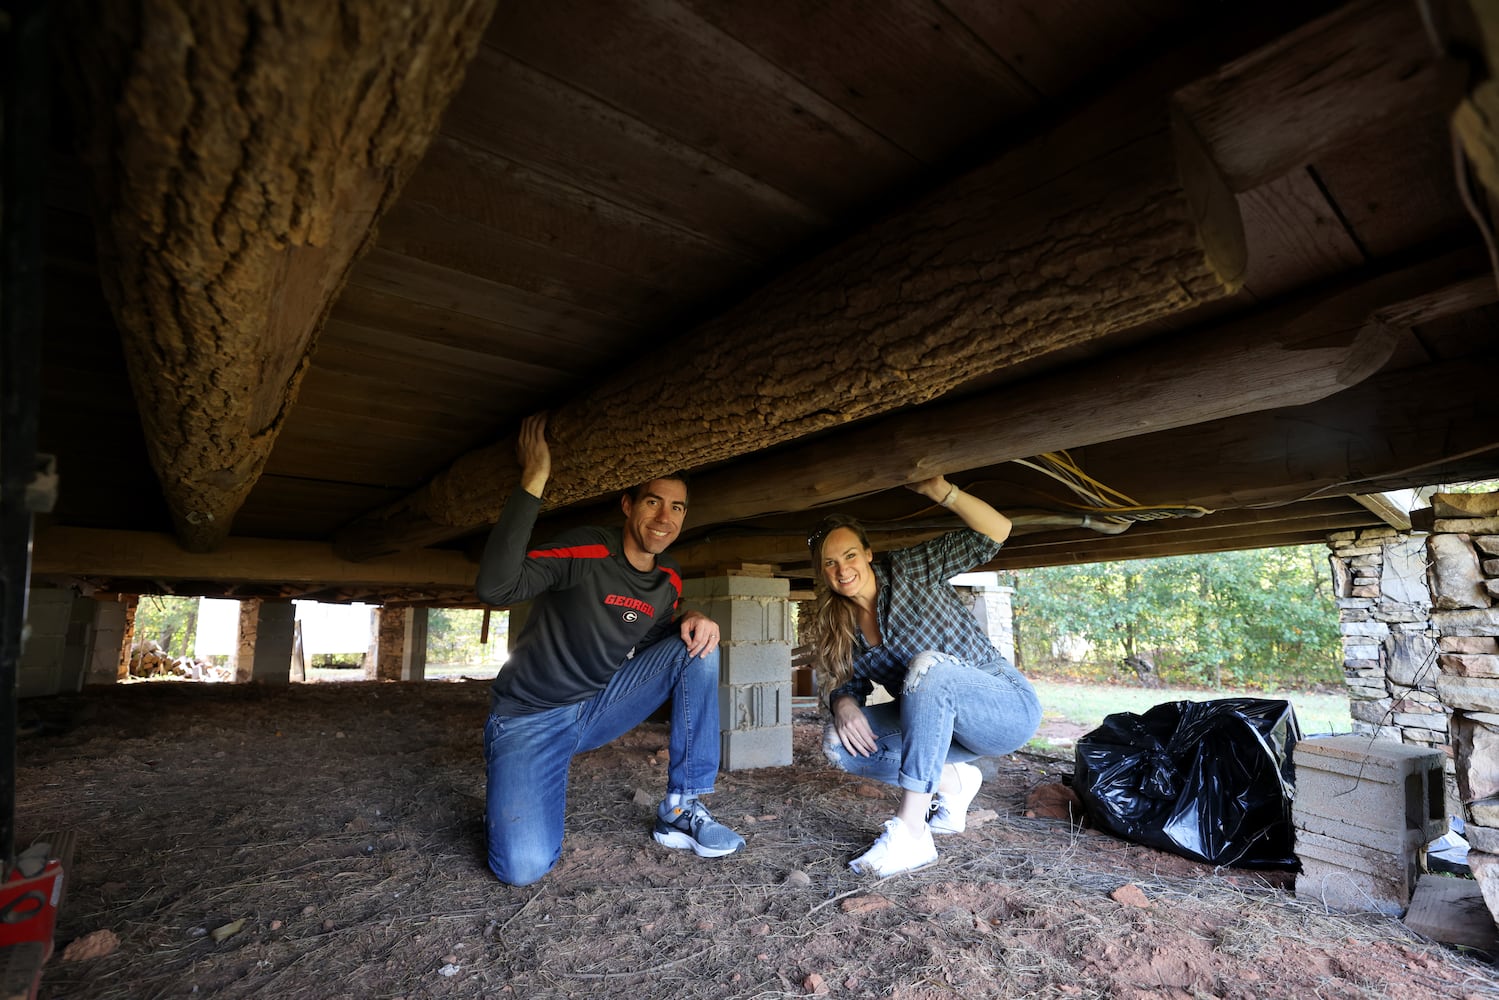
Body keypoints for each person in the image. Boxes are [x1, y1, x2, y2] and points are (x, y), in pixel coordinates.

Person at [475, 413, 744, 885]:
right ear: (627, 504)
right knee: (522, 869)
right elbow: (497, 588)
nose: (665, 518)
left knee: (701, 644)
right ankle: (511, 800)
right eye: (654, 502)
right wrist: (534, 480)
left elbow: (655, 636)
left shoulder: (668, 578)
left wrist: (692, 617)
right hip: (530, 718)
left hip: (596, 708)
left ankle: (682, 806)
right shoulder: (587, 551)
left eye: (677, 508)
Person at [808, 476, 1041, 877]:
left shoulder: (908, 570)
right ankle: (953, 781)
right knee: (838, 743)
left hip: (1002, 706)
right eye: (830, 563)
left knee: (928, 666)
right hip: (940, 731)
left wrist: (941, 492)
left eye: (849, 555)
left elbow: (996, 532)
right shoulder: (839, 621)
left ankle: (911, 831)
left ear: (867, 553)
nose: (842, 569)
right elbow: (847, 681)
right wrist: (843, 701)